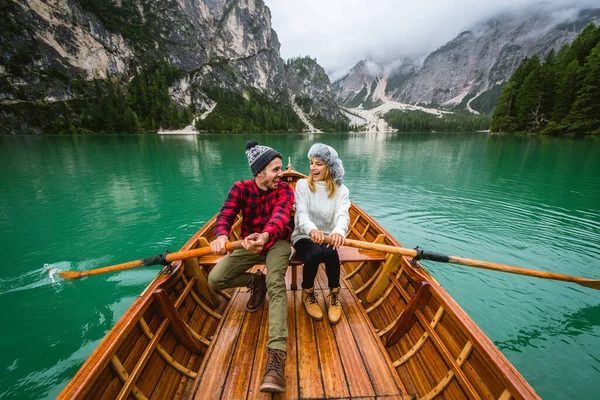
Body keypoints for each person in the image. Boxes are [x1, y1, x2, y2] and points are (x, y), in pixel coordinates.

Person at [207, 140, 294, 393]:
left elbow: (280, 216)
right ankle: (255, 282)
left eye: (281, 169)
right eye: (276, 169)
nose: (282, 174)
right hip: (247, 243)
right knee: (215, 280)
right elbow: (226, 214)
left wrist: (266, 236)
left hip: (276, 241)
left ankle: (276, 358)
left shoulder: (285, 190)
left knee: (276, 283)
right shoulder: (240, 189)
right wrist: (222, 235)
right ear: (259, 173)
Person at [291, 143, 350, 324]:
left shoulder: (342, 190)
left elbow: (342, 215)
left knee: (331, 252)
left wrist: (339, 232)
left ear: (329, 167)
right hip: (303, 234)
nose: (313, 168)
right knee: (315, 253)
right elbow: (301, 213)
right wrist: (311, 229)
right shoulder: (302, 185)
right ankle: (307, 292)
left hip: (327, 235)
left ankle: (334, 294)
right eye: (311, 163)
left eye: (319, 164)